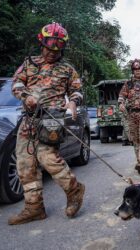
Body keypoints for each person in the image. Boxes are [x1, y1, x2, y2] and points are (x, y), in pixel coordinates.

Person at [9, 23, 85, 225]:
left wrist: (73, 101)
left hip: (51, 121)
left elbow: (77, 91)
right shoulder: (29, 63)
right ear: (41, 42)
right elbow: (16, 83)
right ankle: (34, 208)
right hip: (29, 121)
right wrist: (25, 95)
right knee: (25, 165)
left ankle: (74, 190)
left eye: (57, 48)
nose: (52, 52)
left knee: (48, 159)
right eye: (49, 47)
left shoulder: (67, 69)